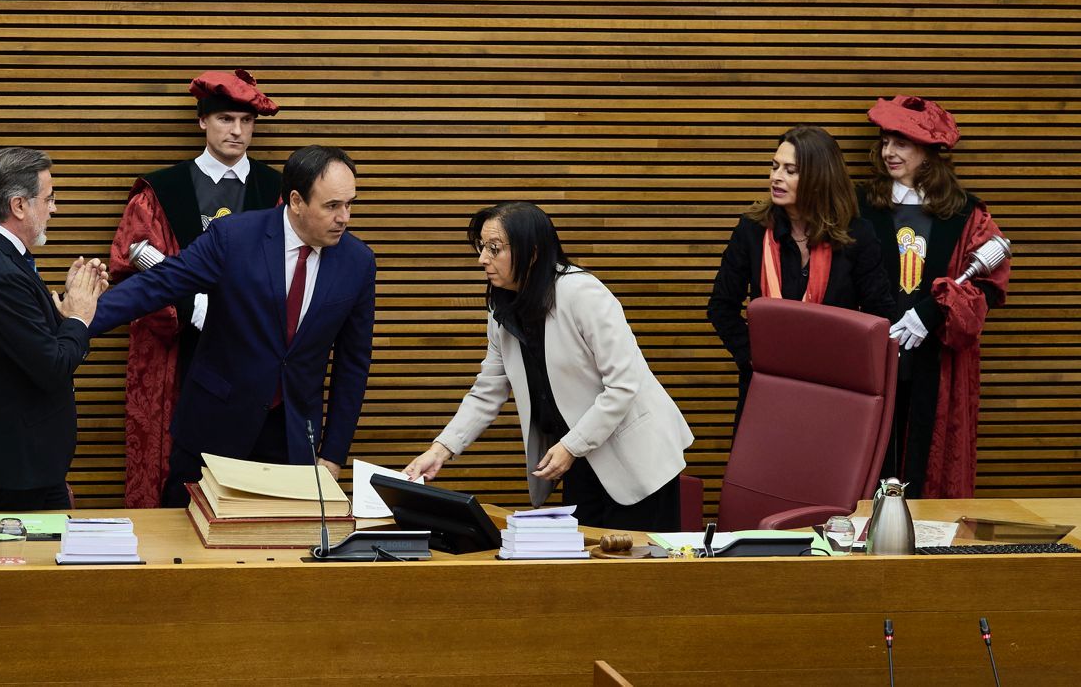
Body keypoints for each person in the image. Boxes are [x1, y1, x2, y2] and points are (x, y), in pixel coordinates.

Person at [91, 145, 375, 508]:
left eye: (350, 204)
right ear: (296, 201)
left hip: (289, 438)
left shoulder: (358, 263)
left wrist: (333, 455)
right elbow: (160, 284)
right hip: (213, 429)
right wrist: (81, 319)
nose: (344, 217)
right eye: (332, 206)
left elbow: (353, 365)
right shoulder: (235, 237)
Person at [403, 202, 694, 531]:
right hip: (580, 460)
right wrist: (440, 450)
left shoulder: (583, 293)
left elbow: (624, 386)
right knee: (586, 572)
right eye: (482, 247)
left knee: (637, 575)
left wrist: (570, 446)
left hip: (638, 459)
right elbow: (486, 392)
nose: (482, 258)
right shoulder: (503, 308)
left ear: (533, 252)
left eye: (494, 249)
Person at [106, 68, 283, 506]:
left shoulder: (280, 192)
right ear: (202, 121)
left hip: (252, 353)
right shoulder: (161, 191)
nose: (237, 131)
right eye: (225, 119)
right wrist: (192, 306)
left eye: (246, 121)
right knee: (177, 474)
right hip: (178, 354)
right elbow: (131, 258)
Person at [861, 95, 1011, 498]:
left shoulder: (965, 214)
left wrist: (931, 312)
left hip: (935, 362)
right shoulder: (859, 207)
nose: (888, 152)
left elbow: (986, 287)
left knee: (923, 468)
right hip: (870, 357)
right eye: (885, 141)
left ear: (929, 151)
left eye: (901, 143)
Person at [0, 147, 108, 511]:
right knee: (25, 566)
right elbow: (50, 367)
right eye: (49, 199)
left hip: (23, 459)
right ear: (19, 205)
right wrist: (79, 317)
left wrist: (63, 318)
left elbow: (27, 345)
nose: (54, 209)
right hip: (13, 465)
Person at [707, 125, 897, 426]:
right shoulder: (751, 230)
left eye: (790, 170)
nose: (776, 177)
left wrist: (840, 363)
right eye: (774, 166)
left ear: (818, 178)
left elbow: (881, 317)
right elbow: (720, 307)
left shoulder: (857, 235)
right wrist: (755, 358)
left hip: (834, 390)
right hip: (764, 387)